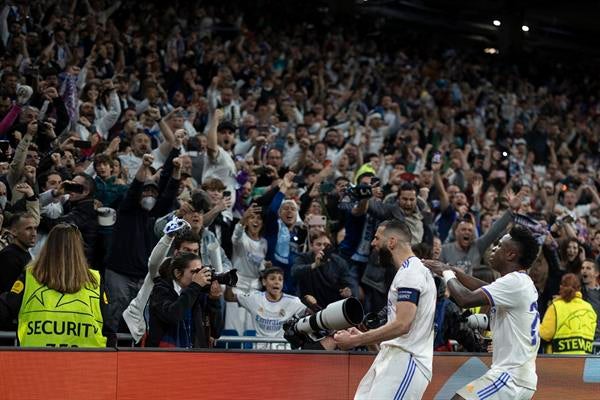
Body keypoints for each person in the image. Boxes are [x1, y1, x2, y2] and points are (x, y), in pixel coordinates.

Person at [423, 225, 541, 400]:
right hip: (522, 377)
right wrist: (454, 270)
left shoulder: (514, 282)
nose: (493, 248)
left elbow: (465, 298)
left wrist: (446, 273)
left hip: (510, 376)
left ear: (511, 254)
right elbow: (484, 288)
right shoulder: (521, 283)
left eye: (499, 245)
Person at [334, 219, 436, 400]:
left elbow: (403, 325)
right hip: (394, 360)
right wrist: (365, 338)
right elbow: (399, 330)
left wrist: (356, 340)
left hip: (407, 362)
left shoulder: (411, 272)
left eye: (376, 238)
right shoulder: (408, 271)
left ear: (391, 242)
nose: (372, 243)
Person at [0, 223, 113, 347]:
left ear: (48, 247)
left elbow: (5, 310)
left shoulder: (29, 277)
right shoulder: (95, 281)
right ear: (79, 249)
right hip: (86, 363)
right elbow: (109, 327)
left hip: (35, 361)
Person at [147, 252, 222, 348]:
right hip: (166, 356)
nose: (199, 276)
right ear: (177, 273)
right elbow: (173, 315)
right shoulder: (160, 290)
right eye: (194, 272)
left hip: (195, 356)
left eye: (200, 271)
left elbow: (216, 332)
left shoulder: (199, 292)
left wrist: (214, 301)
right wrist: (195, 286)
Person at [225, 267, 306, 343]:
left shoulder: (293, 302)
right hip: (260, 351)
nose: (277, 282)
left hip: (282, 350)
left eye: (280, 279)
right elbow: (229, 297)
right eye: (272, 279)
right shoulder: (254, 298)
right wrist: (229, 284)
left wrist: (312, 304)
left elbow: (311, 312)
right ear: (264, 282)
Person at [291, 231, 354, 307]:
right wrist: (314, 265)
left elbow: (349, 283)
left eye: (326, 245)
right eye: (318, 244)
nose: (322, 248)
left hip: (332, 306)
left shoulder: (339, 262)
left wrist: (348, 292)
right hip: (309, 305)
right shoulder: (303, 258)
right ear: (311, 245)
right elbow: (294, 272)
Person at [539, 273, 597, 354]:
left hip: (558, 360)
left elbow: (545, 334)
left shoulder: (555, 306)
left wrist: (536, 325)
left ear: (561, 287)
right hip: (585, 361)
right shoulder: (589, 308)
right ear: (579, 289)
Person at [0, 212, 38, 292]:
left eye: (35, 228)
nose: (34, 233)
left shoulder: (24, 252)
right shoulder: (9, 257)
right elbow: (8, 294)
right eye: (28, 229)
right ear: (14, 232)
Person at [581, 259, 600, 340]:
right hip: (582, 336)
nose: (584, 271)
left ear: (596, 273)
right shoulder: (577, 292)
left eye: (588, 268)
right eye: (582, 268)